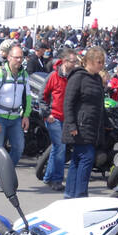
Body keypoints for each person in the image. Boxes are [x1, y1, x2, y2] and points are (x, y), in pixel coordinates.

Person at [0, 42, 30, 192]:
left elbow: (28, 97)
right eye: (16, 57)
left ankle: (6, 174)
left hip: (16, 117)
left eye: (21, 57)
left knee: (18, 147)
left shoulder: (24, 75)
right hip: (0, 117)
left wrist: (26, 116)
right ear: (9, 57)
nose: (19, 60)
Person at [62, 46, 106, 199]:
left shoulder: (97, 78)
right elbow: (68, 103)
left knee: (77, 159)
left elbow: (99, 105)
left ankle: (70, 194)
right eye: (99, 62)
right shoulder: (78, 77)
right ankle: (80, 195)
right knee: (86, 158)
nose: (102, 65)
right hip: (80, 127)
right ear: (90, 61)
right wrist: (72, 125)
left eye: (103, 62)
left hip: (92, 126)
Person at [40, 50, 71, 190]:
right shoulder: (53, 76)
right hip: (54, 117)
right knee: (60, 147)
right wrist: (47, 114)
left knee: (56, 148)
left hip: (66, 118)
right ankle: (57, 180)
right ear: (64, 61)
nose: (75, 64)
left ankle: (48, 177)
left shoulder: (72, 77)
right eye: (72, 61)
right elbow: (42, 96)